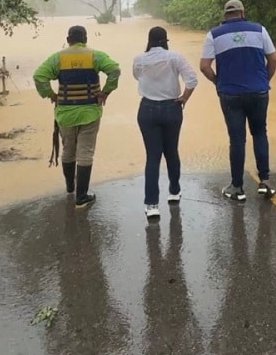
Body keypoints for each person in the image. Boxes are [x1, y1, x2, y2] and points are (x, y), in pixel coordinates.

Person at [33, 25, 121, 209]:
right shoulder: (95, 56)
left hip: (65, 113)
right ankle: (81, 196)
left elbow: (39, 76)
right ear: (85, 38)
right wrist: (105, 92)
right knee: (85, 153)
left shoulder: (58, 57)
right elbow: (114, 70)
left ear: (68, 39)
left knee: (68, 150)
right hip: (90, 112)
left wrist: (50, 94)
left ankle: (70, 187)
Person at [199, 0, 276, 202]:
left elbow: (204, 66)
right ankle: (265, 182)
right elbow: (274, 59)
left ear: (226, 15)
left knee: (237, 140)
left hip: (230, 94)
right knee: (260, 133)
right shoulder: (259, 30)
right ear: (242, 12)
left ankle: (237, 187)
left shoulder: (214, 35)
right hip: (259, 92)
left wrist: (219, 83)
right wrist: (263, 81)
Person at [132, 26, 198, 221]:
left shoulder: (139, 59)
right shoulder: (175, 57)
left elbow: (136, 76)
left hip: (147, 109)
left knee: (152, 157)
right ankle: (174, 191)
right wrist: (184, 98)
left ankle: (151, 204)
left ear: (149, 40)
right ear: (165, 40)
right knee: (172, 151)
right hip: (172, 108)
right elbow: (192, 80)